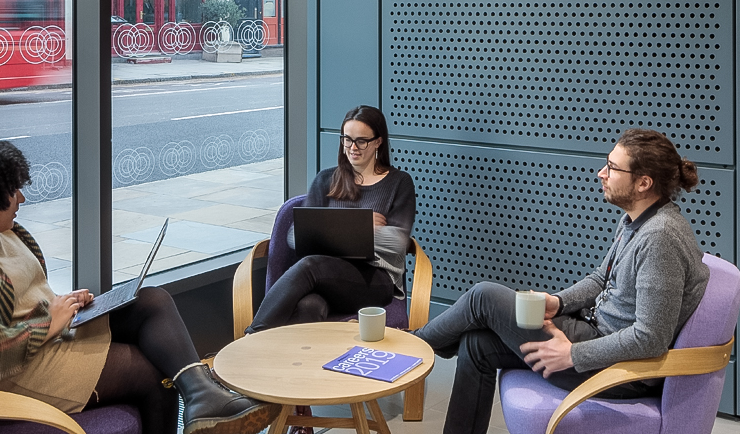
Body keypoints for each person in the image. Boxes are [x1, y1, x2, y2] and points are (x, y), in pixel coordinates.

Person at [0, 140, 279, 434]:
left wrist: (61, 303)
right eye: (12, 191)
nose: (21, 198)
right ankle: (206, 401)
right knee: (150, 373)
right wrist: (48, 323)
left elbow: (26, 297)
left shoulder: (0, 233)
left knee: (151, 300)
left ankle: (202, 397)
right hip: (19, 370)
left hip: (49, 337)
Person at [413, 129, 710, 434]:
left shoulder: (660, 238)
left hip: (618, 368)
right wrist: (559, 302)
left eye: (612, 167)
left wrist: (572, 354)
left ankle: (410, 347)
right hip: (593, 335)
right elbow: (600, 278)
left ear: (644, 182)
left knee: (483, 297)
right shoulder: (637, 219)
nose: (601, 173)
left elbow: (651, 338)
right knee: (477, 344)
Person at [246, 105, 417, 333]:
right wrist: (363, 228)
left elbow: (397, 242)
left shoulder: (399, 182)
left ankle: (253, 336)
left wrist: (332, 233)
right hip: (325, 277)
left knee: (309, 265)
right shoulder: (326, 179)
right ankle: (305, 367)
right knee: (309, 306)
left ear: (378, 142)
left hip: (375, 280)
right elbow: (297, 237)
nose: (352, 148)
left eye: (361, 141)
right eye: (347, 139)